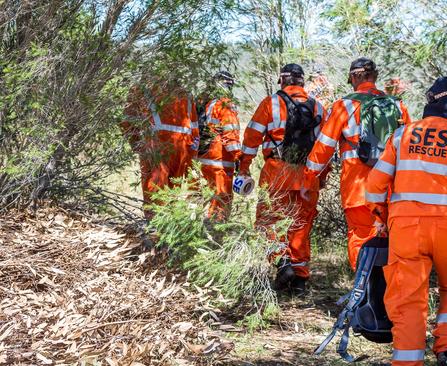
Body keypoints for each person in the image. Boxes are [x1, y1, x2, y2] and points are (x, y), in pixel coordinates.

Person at [364, 77, 447, 365]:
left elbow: (374, 185)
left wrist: (382, 214)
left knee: (408, 297)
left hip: (406, 230)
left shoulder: (402, 136)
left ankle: (408, 361)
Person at [302, 57, 411, 271]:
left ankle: (364, 294)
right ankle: (388, 295)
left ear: (353, 77)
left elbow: (323, 147)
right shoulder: (397, 105)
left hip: (358, 190)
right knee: (392, 242)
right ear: (375, 76)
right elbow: (409, 147)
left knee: (361, 238)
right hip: (392, 189)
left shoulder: (344, 106)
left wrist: (309, 178)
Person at [239, 63, 326, 295]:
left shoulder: (271, 104)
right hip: (308, 176)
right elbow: (326, 149)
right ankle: (299, 280)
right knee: (302, 225)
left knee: (270, 221)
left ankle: (282, 263)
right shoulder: (318, 108)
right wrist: (321, 178)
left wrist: (243, 168)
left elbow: (251, 138)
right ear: (302, 82)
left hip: (277, 172)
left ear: (282, 80)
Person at [122, 78, 199, 220]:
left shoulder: (141, 87)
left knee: (155, 191)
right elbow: (195, 129)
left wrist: (136, 144)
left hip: (156, 144)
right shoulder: (185, 93)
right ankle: (169, 228)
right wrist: (192, 156)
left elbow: (127, 120)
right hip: (181, 147)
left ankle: (155, 228)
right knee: (172, 192)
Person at [195, 71, 242, 220]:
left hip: (202, 159)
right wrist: (239, 158)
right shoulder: (224, 105)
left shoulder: (206, 102)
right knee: (221, 199)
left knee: (203, 197)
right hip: (219, 161)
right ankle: (216, 232)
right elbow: (230, 135)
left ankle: (196, 228)